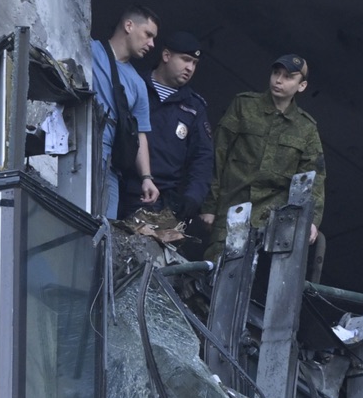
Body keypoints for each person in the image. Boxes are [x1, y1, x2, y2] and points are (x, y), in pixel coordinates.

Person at [204, 53, 325, 251]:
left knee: (268, 269)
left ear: (301, 86)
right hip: (232, 210)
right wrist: (209, 206)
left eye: (288, 77)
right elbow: (218, 154)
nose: (278, 80)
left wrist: (311, 220)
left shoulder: (306, 128)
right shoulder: (244, 105)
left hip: (273, 222)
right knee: (217, 264)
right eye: (276, 73)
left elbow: (313, 178)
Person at [121, 30, 214, 222]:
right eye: (185, 60)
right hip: (119, 183)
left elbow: (203, 158)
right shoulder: (135, 84)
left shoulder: (194, 106)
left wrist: (193, 197)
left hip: (158, 200)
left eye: (194, 63)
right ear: (166, 55)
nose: (190, 68)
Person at [89, 6, 160, 220]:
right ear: (129, 26)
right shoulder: (89, 49)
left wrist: (146, 177)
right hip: (79, 149)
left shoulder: (138, 84)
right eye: (148, 34)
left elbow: (140, 133)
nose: (152, 44)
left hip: (110, 165)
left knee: (105, 228)